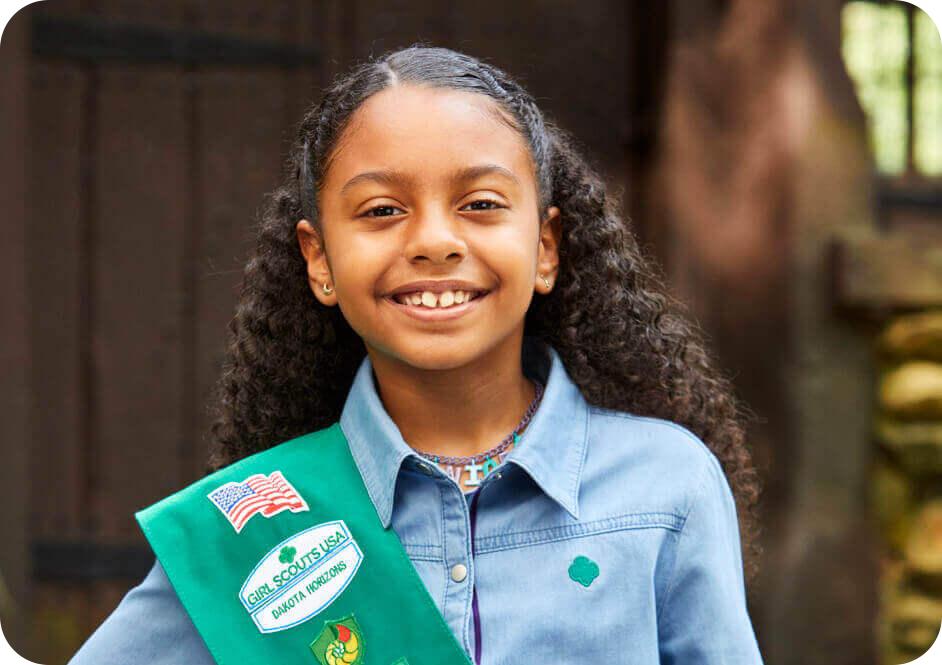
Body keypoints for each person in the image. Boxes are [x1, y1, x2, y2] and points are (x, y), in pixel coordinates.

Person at [68, 44, 765, 664]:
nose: (434, 240)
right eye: (381, 211)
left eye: (482, 203)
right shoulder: (248, 529)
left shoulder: (665, 488)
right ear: (320, 261)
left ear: (546, 246)